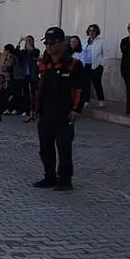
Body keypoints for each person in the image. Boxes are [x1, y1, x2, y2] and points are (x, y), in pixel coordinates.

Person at [30, 27, 83, 192]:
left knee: (64, 147)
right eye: (46, 43)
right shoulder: (42, 64)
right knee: (45, 147)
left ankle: (65, 179)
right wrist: (34, 109)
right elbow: (37, 89)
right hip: (46, 113)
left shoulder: (73, 64)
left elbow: (80, 89)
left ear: (61, 43)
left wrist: (76, 109)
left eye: (52, 43)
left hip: (64, 114)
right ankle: (49, 177)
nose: (49, 47)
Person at [84, 24, 106, 107]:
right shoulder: (85, 42)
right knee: (86, 84)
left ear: (97, 32)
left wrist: (101, 64)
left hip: (96, 65)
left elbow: (105, 54)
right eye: (90, 30)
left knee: (97, 83)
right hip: (86, 65)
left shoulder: (101, 41)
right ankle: (86, 100)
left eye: (94, 31)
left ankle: (101, 100)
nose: (91, 32)